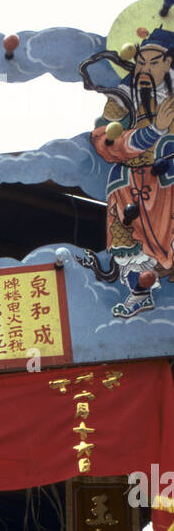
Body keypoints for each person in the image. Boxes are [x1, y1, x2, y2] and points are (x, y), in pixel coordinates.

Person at [88, 29, 174, 318]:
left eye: (154, 61)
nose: (145, 68)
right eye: (141, 61)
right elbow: (104, 139)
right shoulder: (122, 97)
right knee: (129, 243)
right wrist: (154, 131)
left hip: (169, 180)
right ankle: (139, 293)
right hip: (131, 183)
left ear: (169, 63)